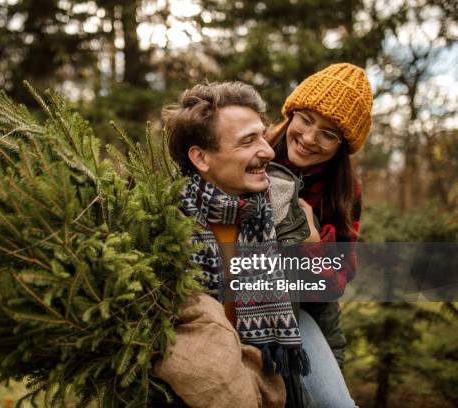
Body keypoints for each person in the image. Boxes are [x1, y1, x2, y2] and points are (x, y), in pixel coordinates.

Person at [154, 81, 337, 407]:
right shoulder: (163, 226)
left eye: (263, 136)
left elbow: (320, 314)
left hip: (278, 384)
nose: (268, 150)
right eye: (248, 141)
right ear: (200, 157)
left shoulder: (287, 214)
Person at [267, 62, 373, 407]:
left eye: (329, 133)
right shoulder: (253, 152)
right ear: (292, 112)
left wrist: (312, 242)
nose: (310, 138)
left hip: (303, 313)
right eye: (306, 119)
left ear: (344, 145)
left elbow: (336, 284)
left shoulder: (343, 193)